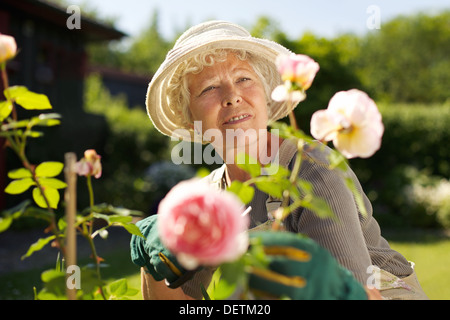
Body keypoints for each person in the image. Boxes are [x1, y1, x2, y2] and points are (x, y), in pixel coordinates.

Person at [131, 20, 428, 300]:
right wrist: (156, 259)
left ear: (265, 93)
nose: (232, 96)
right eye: (209, 87)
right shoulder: (209, 198)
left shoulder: (311, 168)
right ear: (189, 115)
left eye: (244, 79)